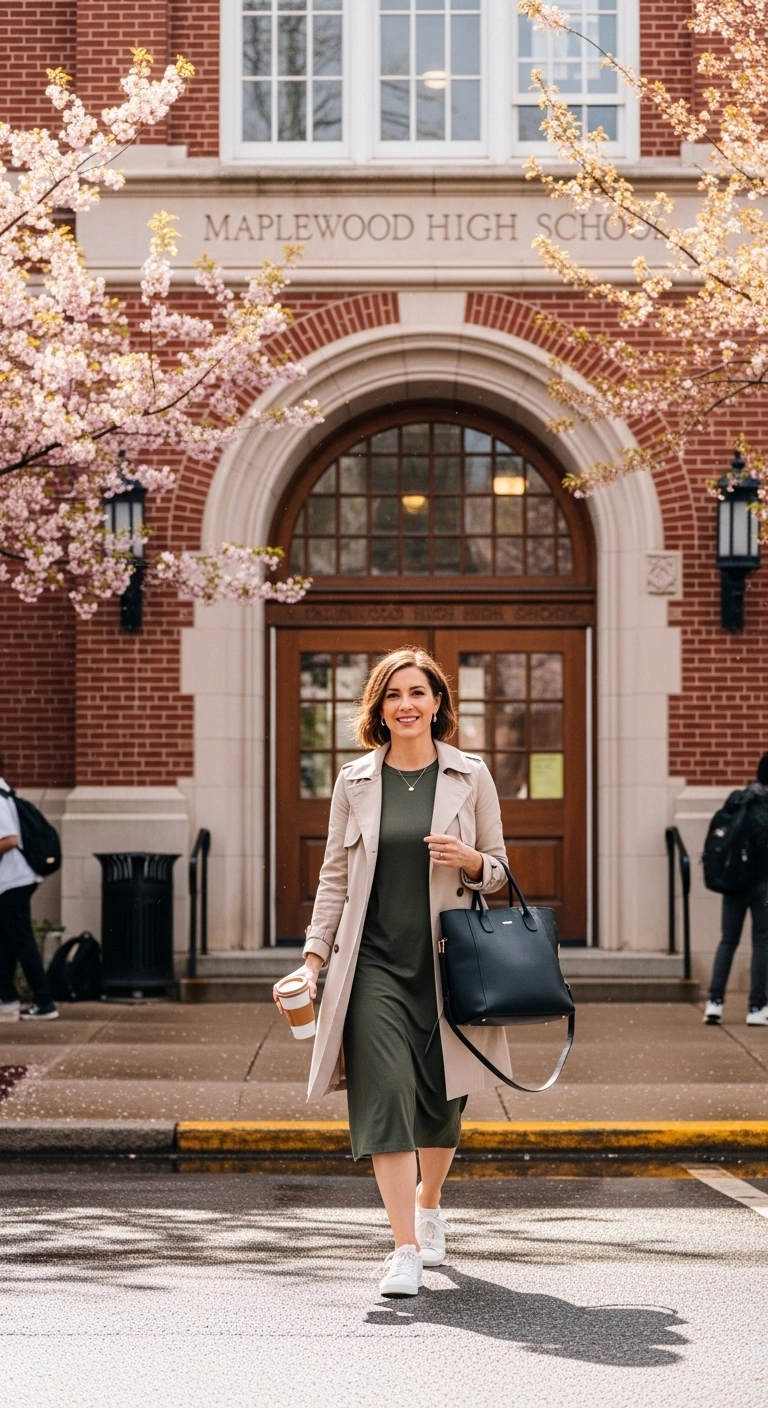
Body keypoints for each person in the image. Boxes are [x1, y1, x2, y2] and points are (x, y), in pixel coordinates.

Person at [274, 646, 510, 1297]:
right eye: (393, 694)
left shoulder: (472, 777)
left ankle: (429, 1205)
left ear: (438, 704)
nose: (406, 704)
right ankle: (403, 1247)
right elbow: (333, 879)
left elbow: (501, 870)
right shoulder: (354, 782)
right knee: (383, 1097)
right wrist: (313, 962)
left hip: (446, 967)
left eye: (418, 693)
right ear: (378, 708)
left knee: (441, 1103)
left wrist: (469, 860)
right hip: (371, 964)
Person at [703, 752, 768, 1027]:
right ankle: (757, 1006)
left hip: (732, 885)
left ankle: (714, 1003)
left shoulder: (737, 801)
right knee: (762, 942)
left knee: (728, 940)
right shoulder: (764, 807)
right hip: (761, 886)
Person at [0, 775, 59, 1021]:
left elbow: (10, 840)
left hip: (13, 880)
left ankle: (44, 1002)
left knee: (21, 939)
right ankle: (7, 998)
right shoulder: (5, 794)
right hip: (13, 880)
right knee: (7, 938)